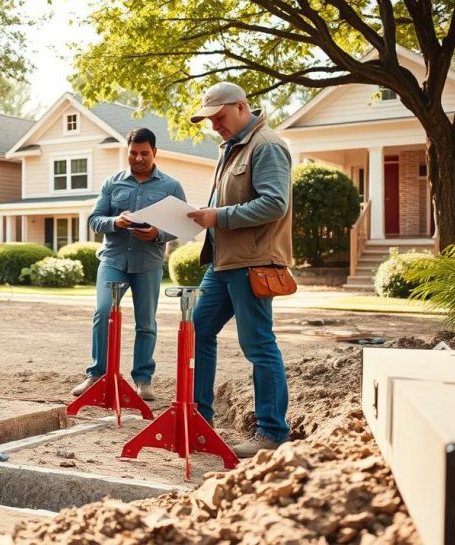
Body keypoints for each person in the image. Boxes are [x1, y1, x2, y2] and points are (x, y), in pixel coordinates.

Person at [186, 81, 293, 458]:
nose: (215, 125)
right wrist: (208, 214)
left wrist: (219, 216)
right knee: (197, 330)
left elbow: (274, 204)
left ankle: (272, 432)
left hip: (253, 263)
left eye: (220, 116)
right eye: (210, 120)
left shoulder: (267, 146)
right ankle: (199, 418)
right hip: (223, 262)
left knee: (259, 345)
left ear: (242, 107)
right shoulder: (232, 149)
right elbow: (232, 201)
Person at [72, 128, 186, 401]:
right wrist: (116, 222)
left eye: (144, 153)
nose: (138, 158)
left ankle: (143, 380)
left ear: (154, 152)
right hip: (113, 260)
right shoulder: (113, 183)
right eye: (133, 153)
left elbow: (183, 223)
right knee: (102, 313)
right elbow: (95, 219)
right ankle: (97, 374)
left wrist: (157, 233)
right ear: (128, 151)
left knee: (146, 322)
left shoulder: (171, 186)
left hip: (148, 262)